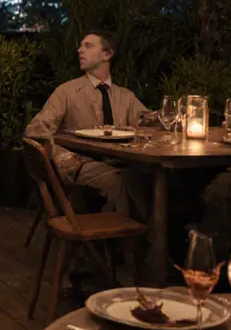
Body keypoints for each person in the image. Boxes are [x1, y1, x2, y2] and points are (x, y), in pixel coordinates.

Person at [25, 31, 153, 218]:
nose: (80, 50)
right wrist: (60, 156)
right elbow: (35, 130)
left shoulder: (125, 96)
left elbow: (149, 123)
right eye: (80, 46)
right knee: (121, 182)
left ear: (107, 54)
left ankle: (124, 235)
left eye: (88, 46)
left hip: (120, 162)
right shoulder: (67, 92)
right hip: (82, 163)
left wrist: (173, 117)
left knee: (150, 180)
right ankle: (130, 243)